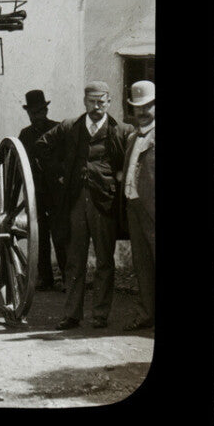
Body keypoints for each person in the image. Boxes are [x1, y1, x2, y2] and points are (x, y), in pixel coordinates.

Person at [35, 82, 131, 330]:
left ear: (109, 102)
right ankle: (72, 314)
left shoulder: (120, 130)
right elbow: (42, 146)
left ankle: (100, 314)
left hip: (104, 203)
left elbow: (130, 160)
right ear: (84, 102)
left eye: (101, 102)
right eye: (92, 101)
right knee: (74, 260)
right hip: (76, 201)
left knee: (104, 261)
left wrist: (118, 178)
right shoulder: (70, 127)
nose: (96, 106)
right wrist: (60, 173)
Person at [17, 89, 66, 291]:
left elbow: (67, 158)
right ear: (29, 113)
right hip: (35, 194)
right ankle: (45, 278)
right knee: (39, 236)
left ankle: (66, 276)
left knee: (61, 235)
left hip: (57, 192)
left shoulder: (58, 130)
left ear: (46, 110)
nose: (38, 116)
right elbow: (20, 164)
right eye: (34, 113)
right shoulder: (25, 135)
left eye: (41, 111)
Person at [122, 80, 155, 331]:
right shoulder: (133, 137)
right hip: (134, 208)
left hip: (153, 209)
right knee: (142, 264)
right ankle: (146, 314)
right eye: (137, 108)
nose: (142, 113)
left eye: (148, 107)